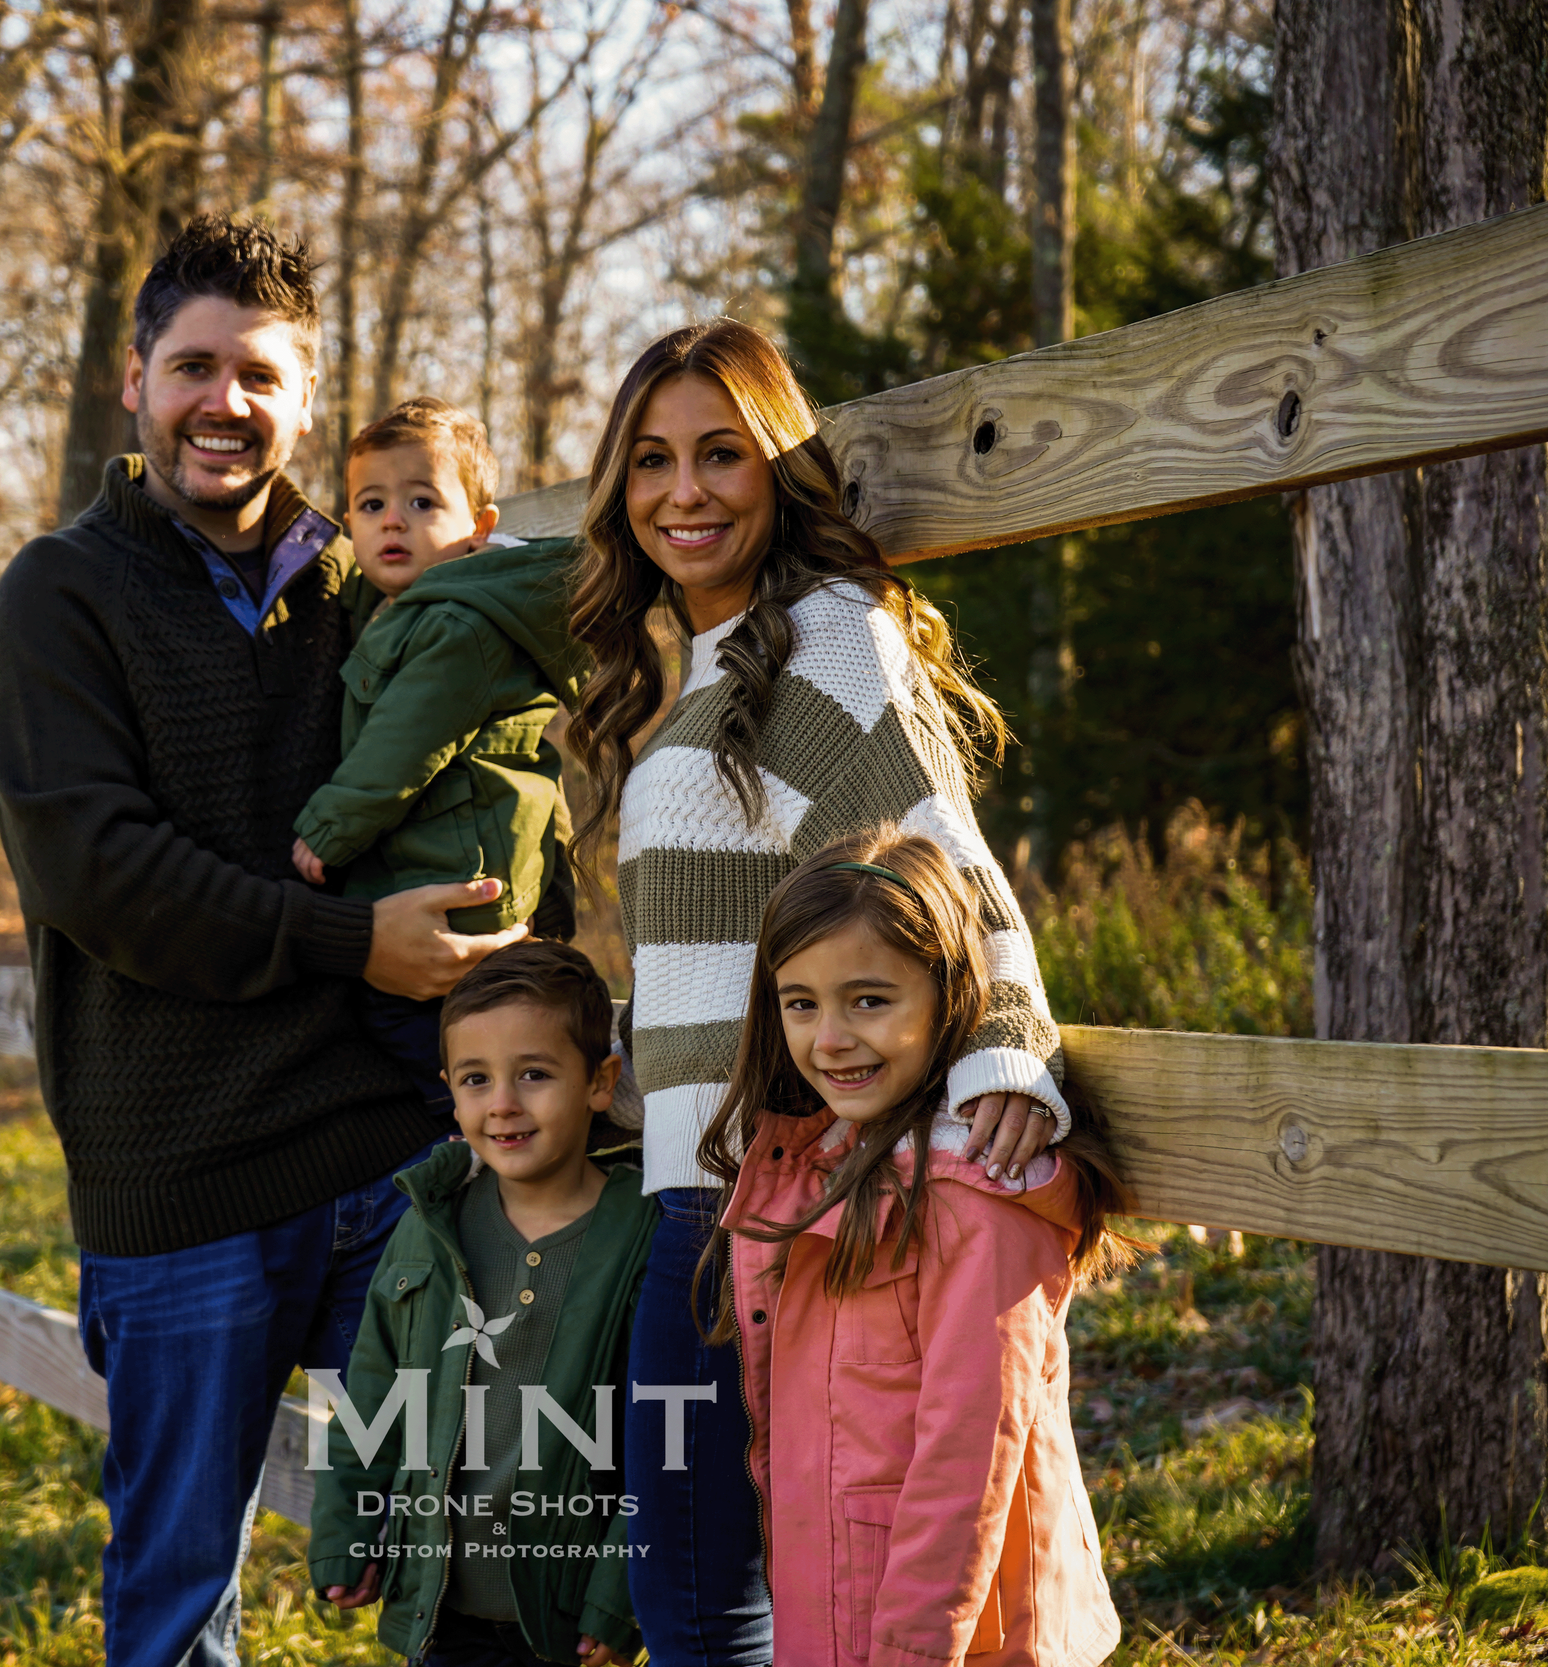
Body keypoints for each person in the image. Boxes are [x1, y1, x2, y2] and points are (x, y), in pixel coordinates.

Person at [0, 214, 525, 1667]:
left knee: (495, 1527)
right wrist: (352, 943)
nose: (225, 402)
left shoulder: (370, 587)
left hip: (384, 1156)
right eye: (193, 366)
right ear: (136, 381)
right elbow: (105, 875)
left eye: (260, 374)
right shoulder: (59, 596)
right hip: (182, 1176)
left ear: (306, 392)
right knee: (177, 1595)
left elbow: (504, 705)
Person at [562, 318, 1071, 1664]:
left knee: (702, 1607)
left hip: (753, 1208)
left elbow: (947, 867)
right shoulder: (708, 661)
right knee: (713, 1597)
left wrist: (1007, 1055)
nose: (685, 491)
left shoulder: (829, 643)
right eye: (653, 460)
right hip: (684, 1192)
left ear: (780, 466)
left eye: (722, 453)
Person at [700, 828, 1128, 1667]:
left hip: (954, 1635)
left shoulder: (980, 1198)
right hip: (841, 1607)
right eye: (801, 1002)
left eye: (869, 1000)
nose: (829, 1037)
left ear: (949, 998)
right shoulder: (825, 1163)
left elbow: (968, 1458)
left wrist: (909, 1651)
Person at [308, 941, 654, 1667]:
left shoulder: (642, 1234)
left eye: (534, 1073)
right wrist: (346, 1531)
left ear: (600, 1081)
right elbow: (372, 1396)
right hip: (444, 1608)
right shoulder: (431, 1227)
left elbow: (660, 1443)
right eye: (476, 1078)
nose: (502, 1102)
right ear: (451, 1090)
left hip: (567, 1617)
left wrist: (619, 1595)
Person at [290, 397, 586, 1111]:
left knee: (424, 1034)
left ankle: (473, 1137)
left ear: (478, 529)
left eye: (423, 501)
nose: (393, 519)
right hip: (451, 867)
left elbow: (402, 743)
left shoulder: (459, 626)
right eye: (370, 504)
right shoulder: (404, 609)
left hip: (462, 891)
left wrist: (325, 829)